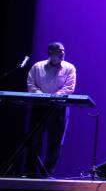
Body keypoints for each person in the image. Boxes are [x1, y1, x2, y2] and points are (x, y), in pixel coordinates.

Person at [25, 42, 76, 177]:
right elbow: (31, 85)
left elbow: (69, 88)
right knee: (34, 140)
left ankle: (47, 173)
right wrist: (42, 96)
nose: (62, 53)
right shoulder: (38, 67)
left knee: (56, 142)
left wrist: (53, 97)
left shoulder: (69, 68)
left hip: (58, 108)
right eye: (59, 51)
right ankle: (32, 172)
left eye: (63, 51)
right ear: (50, 52)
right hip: (40, 107)